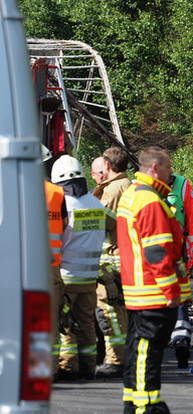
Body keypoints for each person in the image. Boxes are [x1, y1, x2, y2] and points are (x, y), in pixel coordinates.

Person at [117, 145, 190, 414]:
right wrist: (172, 292)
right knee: (148, 353)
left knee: (137, 350)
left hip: (139, 290)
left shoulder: (133, 194)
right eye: (169, 168)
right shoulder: (150, 202)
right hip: (154, 292)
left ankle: (134, 402)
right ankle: (146, 406)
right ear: (156, 168)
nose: (172, 174)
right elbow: (157, 252)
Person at [52, 155, 109, 381]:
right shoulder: (95, 203)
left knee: (64, 326)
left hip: (67, 277)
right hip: (89, 278)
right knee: (86, 325)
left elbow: (60, 238)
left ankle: (68, 368)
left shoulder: (64, 205)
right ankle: (88, 367)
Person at [90, 147, 132, 378]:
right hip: (121, 258)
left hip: (111, 260)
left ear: (106, 166)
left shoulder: (114, 189)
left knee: (110, 312)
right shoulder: (128, 185)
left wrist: (77, 208)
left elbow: (99, 219)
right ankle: (119, 356)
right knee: (121, 312)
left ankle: (116, 360)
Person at [165, 169, 193, 369]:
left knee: (179, 298)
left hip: (177, 257)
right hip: (158, 258)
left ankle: (180, 341)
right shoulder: (141, 189)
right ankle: (177, 338)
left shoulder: (182, 185)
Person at [42, 145, 68, 379]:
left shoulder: (13, 189)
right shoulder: (58, 194)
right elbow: (66, 226)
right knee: (50, 319)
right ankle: (48, 368)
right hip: (51, 267)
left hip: (19, 267)